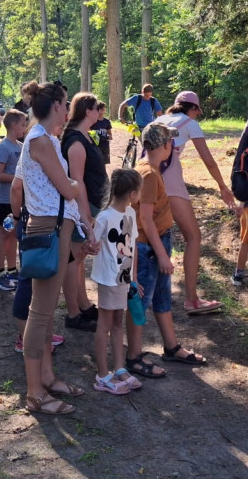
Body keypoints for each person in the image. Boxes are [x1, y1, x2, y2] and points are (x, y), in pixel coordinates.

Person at [20, 82, 94, 416]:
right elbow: (67, 189)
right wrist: (79, 183)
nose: (68, 111)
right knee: (40, 314)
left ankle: (47, 378)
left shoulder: (45, 139)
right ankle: (34, 392)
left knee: (47, 313)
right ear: (56, 106)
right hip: (47, 228)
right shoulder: (39, 140)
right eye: (65, 105)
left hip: (57, 227)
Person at [125, 122, 208, 381]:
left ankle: (171, 346)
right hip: (148, 248)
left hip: (157, 243)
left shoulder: (150, 169)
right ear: (165, 145)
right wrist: (161, 255)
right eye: (171, 141)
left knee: (162, 298)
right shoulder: (148, 174)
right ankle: (134, 356)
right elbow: (146, 220)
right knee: (139, 301)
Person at [153, 90, 236, 315]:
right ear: (195, 109)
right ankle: (192, 300)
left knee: (152, 235)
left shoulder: (159, 120)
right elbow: (208, 160)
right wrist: (222, 186)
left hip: (145, 178)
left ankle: (146, 294)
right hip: (170, 180)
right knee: (193, 237)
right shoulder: (190, 123)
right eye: (198, 110)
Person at [92, 169, 144, 395]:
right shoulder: (105, 217)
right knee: (104, 325)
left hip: (122, 279)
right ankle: (102, 375)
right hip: (107, 279)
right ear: (132, 193)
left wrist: (133, 278)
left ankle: (119, 368)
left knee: (117, 323)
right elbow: (92, 243)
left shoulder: (130, 214)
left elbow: (131, 247)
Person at [61, 93, 105, 332]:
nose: (100, 112)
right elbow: (78, 181)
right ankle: (73, 313)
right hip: (81, 208)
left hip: (91, 205)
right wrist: (86, 214)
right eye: (97, 108)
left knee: (78, 259)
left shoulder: (84, 136)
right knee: (74, 258)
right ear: (88, 111)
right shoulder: (76, 141)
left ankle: (84, 305)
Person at [0, 109, 27, 291]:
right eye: (23, 124)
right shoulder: (4, 147)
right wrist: (19, 179)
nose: (25, 127)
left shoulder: (20, 146)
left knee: (13, 234)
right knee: (4, 234)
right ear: (13, 125)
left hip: (17, 200)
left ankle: (12, 270)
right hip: (5, 201)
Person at [92, 101, 112, 165]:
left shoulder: (106, 121)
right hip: (95, 145)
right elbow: (88, 131)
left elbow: (110, 134)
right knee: (95, 162)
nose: (102, 111)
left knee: (103, 163)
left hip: (104, 145)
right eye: (100, 109)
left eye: (103, 109)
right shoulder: (93, 121)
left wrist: (108, 136)